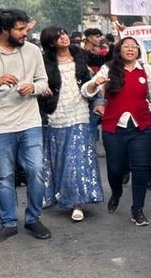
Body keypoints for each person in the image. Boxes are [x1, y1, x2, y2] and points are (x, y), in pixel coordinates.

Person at [0, 8, 51, 244]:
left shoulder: (32, 50)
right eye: (20, 29)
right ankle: (8, 223)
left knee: (36, 170)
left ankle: (33, 218)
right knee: (5, 176)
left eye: (25, 27)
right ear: (4, 30)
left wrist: (33, 87)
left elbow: (43, 82)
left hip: (30, 122)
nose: (25, 33)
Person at [83, 37, 151, 226]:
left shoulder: (145, 69)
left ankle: (137, 209)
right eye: (126, 46)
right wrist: (96, 84)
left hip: (141, 127)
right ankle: (117, 192)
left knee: (141, 168)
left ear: (138, 50)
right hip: (114, 127)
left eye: (133, 47)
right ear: (119, 50)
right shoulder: (108, 69)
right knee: (115, 169)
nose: (130, 49)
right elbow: (86, 91)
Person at [37, 26, 103, 221]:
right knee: (60, 158)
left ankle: (77, 202)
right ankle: (59, 194)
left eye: (64, 34)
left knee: (77, 158)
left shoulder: (81, 57)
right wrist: (42, 89)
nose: (64, 38)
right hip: (56, 114)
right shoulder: (43, 62)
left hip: (80, 113)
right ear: (51, 43)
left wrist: (98, 98)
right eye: (58, 37)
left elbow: (92, 80)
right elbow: (37, 82)